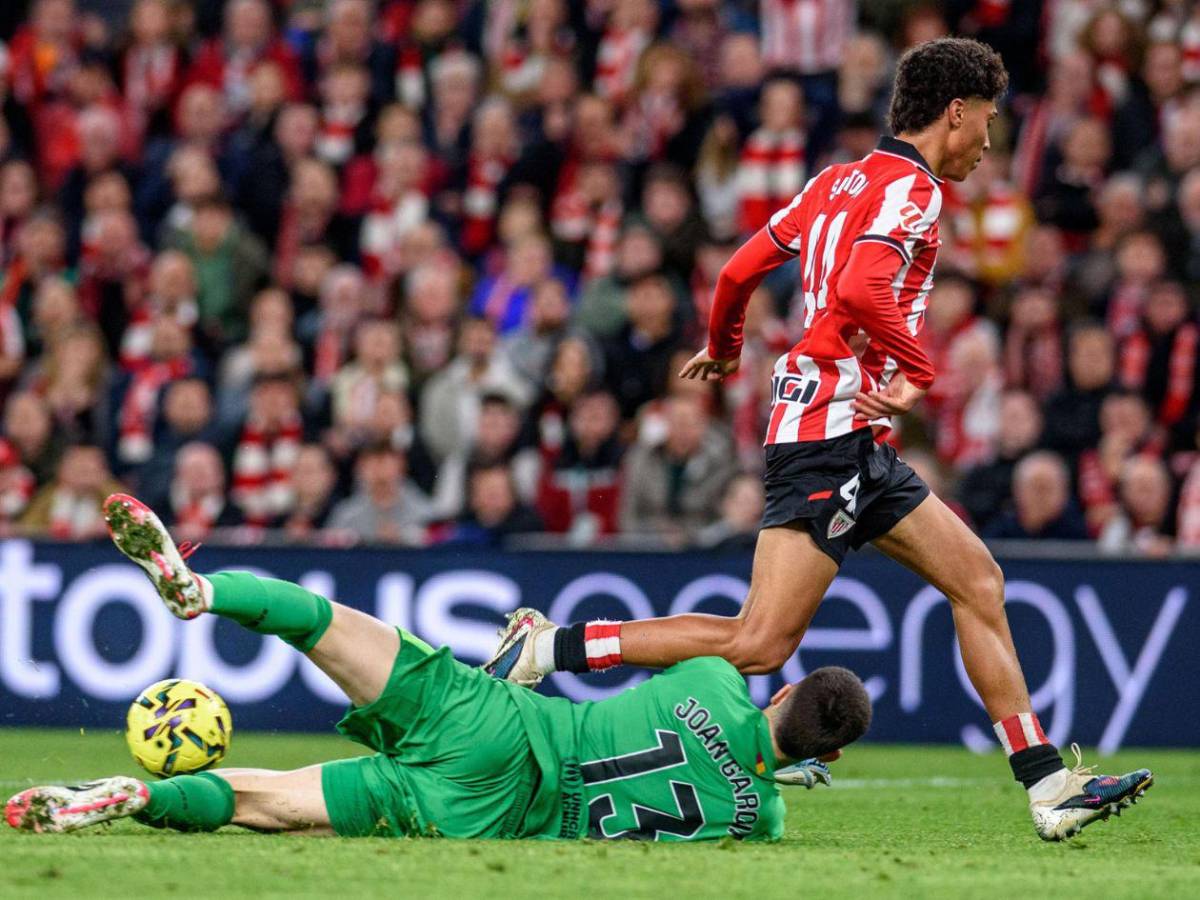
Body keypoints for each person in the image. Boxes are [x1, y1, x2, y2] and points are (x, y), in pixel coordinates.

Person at [487, 38, 1154, 842]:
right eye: (986, 121)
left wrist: (729, 343)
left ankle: (1047, 785)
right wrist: (918, 367)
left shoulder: (835, 181)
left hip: (852, 438)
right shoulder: (915, 190)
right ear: (955, 112)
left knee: (978, 580)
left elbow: (737, 270)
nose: (988, 141)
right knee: (759, 641)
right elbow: (863, 286)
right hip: (827, 435)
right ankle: (547, 646)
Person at [5, 493, 873, 841]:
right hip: (484, 814)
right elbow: (749, 781)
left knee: (323, 625)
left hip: (497, 719)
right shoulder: (760, 823)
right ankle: (136, 797)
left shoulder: (721, 683)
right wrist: (776, 770)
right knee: (259, 803)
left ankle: (200, 589)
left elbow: (693, 643)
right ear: (824, 757)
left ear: (785, 686)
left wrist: (550, 644)